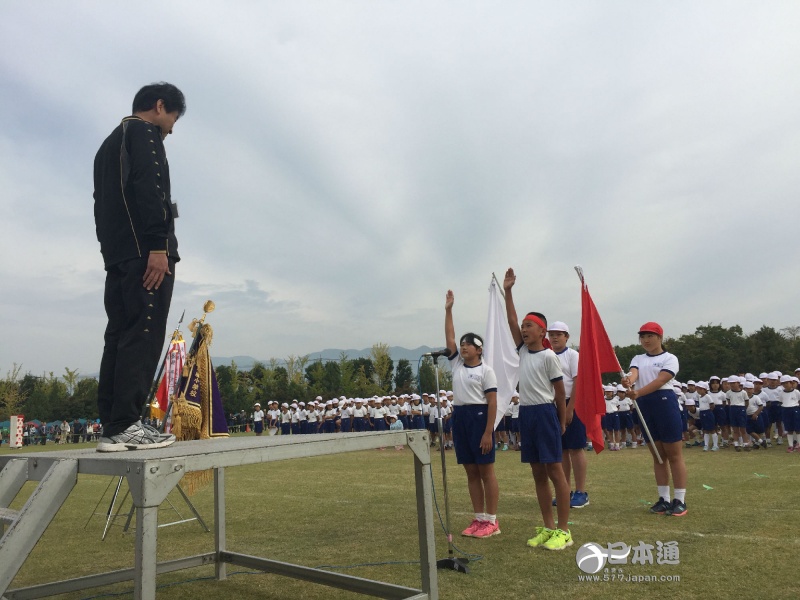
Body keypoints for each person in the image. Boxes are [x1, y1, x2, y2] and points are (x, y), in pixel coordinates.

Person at [94, 82, 186, 452]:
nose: (172, 129)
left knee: (118, 335)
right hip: (146, 253)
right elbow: (152, 192)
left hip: (118, 256)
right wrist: (158, 246)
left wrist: (113, 254)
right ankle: (127, 424)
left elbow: (102, 203)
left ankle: (114, 425)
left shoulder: (109, 143)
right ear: (160, 106)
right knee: (144, 334)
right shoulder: (145, 135)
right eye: (173, 119)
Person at [502, 268, 572, 551]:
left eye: (529, 326)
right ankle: (548, 527)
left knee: (556, 471)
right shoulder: (521, 351)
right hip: (527, 414)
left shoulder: (549, 357)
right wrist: (508, 291)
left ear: (542, 331)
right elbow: (510, 319)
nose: (523, 329)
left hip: (545, 413)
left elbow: (559, 391)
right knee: (537, 473)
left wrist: (561, 418)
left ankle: (564, 531)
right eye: (523, 326)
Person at [444, 290, 501, 539]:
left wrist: (488, 431)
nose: (463, 346)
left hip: (479, 418)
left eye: (469, 344)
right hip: (460, 417)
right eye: (463, 343)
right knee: (470, 471)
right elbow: (450, 339)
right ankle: (478, 518)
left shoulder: (486, 371)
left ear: (479, 350)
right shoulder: (456, 364)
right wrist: (448, 310)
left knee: (486, 470)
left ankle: (491, 520)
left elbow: (492, 402)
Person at [622, 322, 687, 517]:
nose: (646, 340)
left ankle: (680, 500)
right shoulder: (638, 358)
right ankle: (663, 499)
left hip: (664, 403)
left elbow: (661, 380)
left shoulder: (670, 358)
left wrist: (638, 392)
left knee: (673, 454)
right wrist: (628, 380)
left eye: (650, 336)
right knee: (658, 455)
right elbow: (634, 373)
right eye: (642, 337)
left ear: (660, 337)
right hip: (644, 405)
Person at [547, 321, 589, 508]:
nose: (554, 337)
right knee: (561, 450)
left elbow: (578, 382)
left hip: (572, 402)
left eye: (559, 334)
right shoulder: (546, 355)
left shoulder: (573, 355)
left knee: (575, 448)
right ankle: (566, 490)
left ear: (566, 337)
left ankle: (581, 492)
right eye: (551, 334)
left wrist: (570, 408)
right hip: (553, 404)